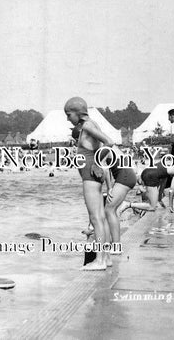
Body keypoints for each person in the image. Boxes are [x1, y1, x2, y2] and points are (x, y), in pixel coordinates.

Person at [65, 97, 112, 271]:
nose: (68, 118)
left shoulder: (87, 126)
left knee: (96, 218)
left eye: (69, 114)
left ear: (78, 113)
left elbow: (109, 142)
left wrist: (98, 163)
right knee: (101, 218)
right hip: (92, 176)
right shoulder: (91, 124)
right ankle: (105, 258)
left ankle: (99, 260)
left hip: (90, 177)